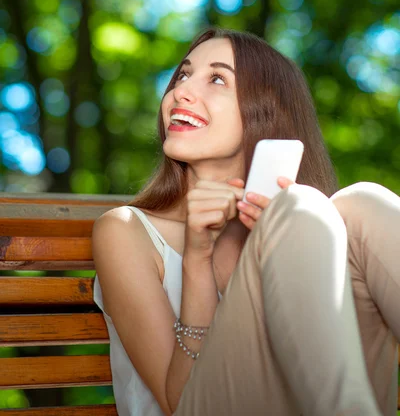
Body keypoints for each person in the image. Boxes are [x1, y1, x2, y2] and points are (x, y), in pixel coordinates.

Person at [92, 27, 399, 416]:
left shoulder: (299, 221)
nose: (181, 92)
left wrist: (274, 244)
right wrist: (197, 261)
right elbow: (176, 404)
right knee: (303, 202)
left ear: (264, 111)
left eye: (217, 78)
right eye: (183, 75)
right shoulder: (125, 231)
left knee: (360, 202)